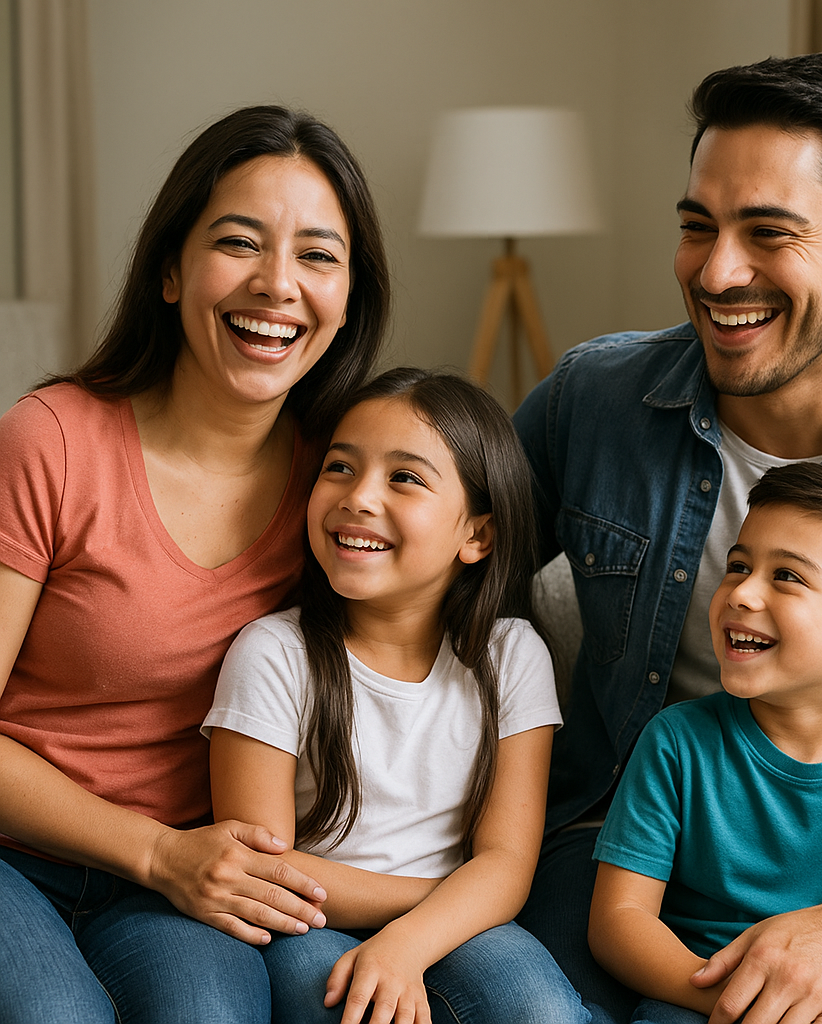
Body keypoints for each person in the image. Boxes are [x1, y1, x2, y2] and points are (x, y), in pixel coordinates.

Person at [513, 53, 822, 1024]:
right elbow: (447, 571)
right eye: (696, 227)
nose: (715, 273)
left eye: (768, 234)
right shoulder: (594, 399)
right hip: (621, 833)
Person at [0, 105, 390, 1023]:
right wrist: (157, 853)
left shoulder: (338, 486)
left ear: (349, 298)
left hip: (186, 879)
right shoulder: (49, 440)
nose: (277, 285)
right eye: (240, 243)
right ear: (171, 270)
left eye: (318, 256)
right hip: (21, 854)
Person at [203, 367, 590, 1024]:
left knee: (541, 1009)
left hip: (456, 922)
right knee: (345, 1005)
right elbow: (268, 876)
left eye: (403, 478)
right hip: (312, 924)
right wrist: (431, 903)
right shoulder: (271, 653)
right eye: (340, 468)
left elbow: (507, 861)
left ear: (477, 536)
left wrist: (413, 940)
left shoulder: (512, 654)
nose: (359, 498)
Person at [588, 463, 822, 1024]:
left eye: (786, 576)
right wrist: (735, 1007)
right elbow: (619, 919)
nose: (741, 592)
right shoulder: (675, 742)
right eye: (739, 566)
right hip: (698, 1001)